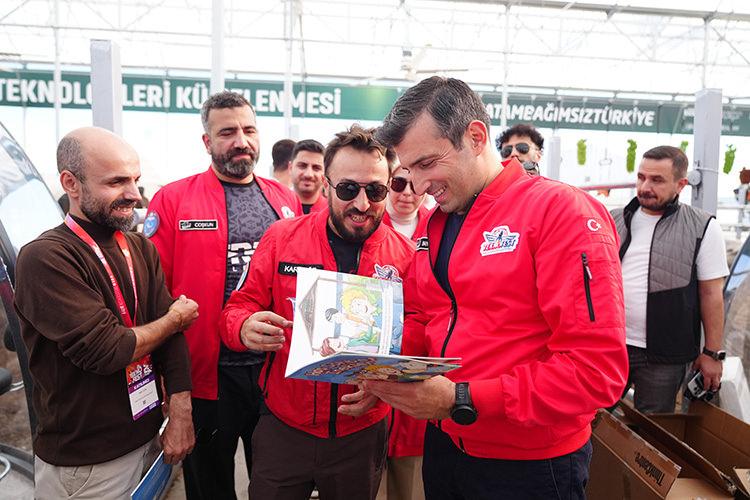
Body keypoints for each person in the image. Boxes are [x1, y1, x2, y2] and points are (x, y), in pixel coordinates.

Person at [368, 76, 628, 499]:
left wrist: (462, 398)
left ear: (475, 137)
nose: (418, 186)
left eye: (428, 163)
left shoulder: (559, 211)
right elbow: (425, 315)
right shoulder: (437, 223)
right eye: (410, 170)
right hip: (447, 444)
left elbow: (595, 371)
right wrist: (381, 373)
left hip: (529, 464)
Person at [220, 125, 415, 500]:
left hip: (360, 432)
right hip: (284, 426)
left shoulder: (405, 256)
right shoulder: (281, 237)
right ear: (327, 186)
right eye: (348, 189)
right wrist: (244, 327)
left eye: (375, 191)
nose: (362, 204)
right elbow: (238, 307)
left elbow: (418, 333)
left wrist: (385, 386)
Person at [14, 127, 198, 498]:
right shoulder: (45, 257)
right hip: (88, 463)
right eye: (116, 182)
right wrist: (173, 319)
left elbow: (171, 340)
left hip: (147, 438)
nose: (134, 194)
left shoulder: (139, 247)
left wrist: (181, 411)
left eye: (135, 180)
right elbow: (108, 350)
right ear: (71, 183)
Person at [145, 91, 301, 499]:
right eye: (227, 132)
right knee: (209, 487)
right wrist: (168, 384)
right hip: (206, 377)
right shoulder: (173, 200)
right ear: (207, 141)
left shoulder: (284, 200)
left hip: (272, 375)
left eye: (249, 130)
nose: (241, 141)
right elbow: (153, 296)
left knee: (275, 486)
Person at [611, 146, 729, 413]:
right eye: (641, 177)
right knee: (589, 420)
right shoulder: (614, 219)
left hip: (666, 356)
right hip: (610, 345)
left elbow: (711, 294)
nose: (645, 187)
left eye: (657, 180)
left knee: (651, 428)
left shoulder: (703, 227)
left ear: (681, 184)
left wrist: (712, 354)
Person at [377, 148, 428, 500]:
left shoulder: (441, 226)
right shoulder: (364, 224)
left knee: (412, 486)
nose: (407, 193)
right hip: (371, 370)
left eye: (415, 185)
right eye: (398, 184)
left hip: (416, 371)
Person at [289, 139, 327, 213]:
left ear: (325, 173)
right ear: (290, 168)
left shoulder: (333, 213)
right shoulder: (275, 208)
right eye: (302, 166)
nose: (308, 174)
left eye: (316, 168)